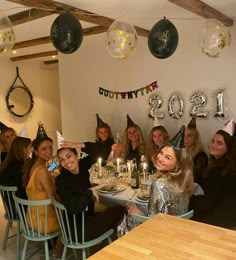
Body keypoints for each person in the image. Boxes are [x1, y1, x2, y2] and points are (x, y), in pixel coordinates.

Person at [117, 126, 194, 236]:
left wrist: (138, 214)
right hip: (178, 229)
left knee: (126, 212)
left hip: (161, 234)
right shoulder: (184, 182)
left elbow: (154, 223)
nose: (160, 158)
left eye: (167, 158)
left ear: (178, 165)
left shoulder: (159, 185)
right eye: (161, 153)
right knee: (133, 204)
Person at [55, 147, 125, 242]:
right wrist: (89, 192)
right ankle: (119, 243)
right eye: (62, 159)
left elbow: (103, 149)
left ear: (76, 155)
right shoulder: (61, 180)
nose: (66, 161)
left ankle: (116, 239)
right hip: (78, 230)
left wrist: (79, 144)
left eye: (69, 156)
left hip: (87, 218)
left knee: (113, 209)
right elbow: (74, 208)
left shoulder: (82, 165)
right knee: (121, 209)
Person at [23, 123, 61, 257]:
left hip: (31, 219)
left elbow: (46, 172)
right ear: (36, 151)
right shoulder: (42, 170)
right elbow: (53, 196)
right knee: (71, 214)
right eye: (44, 149)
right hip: (43, 222)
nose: (49, 152)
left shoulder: (33, 165)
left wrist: (57, 164)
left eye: (51, 148)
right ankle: (57, 251)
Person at [190, 120, 236, 229]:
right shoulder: (217, 165)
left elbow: (209, 201)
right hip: (220, 214)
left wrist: (189, 199)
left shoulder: (223, 170)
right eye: (213, 141)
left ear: (228, 148)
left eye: (219, 143)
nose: (213, 145)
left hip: (220, 221)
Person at [184, 117, 208, 185]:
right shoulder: (182, 152)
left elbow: (196, 178)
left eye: (189, 136)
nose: (185, 138)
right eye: (184, 135)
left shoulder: (200, 156)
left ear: (195, 138)